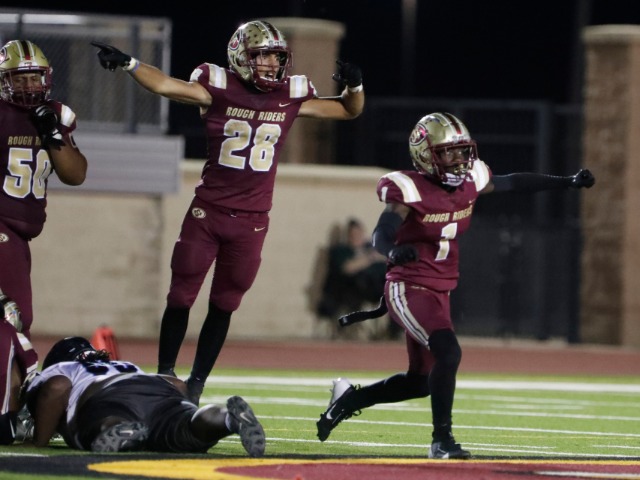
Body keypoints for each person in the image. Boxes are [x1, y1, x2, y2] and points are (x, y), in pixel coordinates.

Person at [90, 19, 365, 405]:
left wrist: (355, 86)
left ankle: (196, 384)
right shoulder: (217, 85)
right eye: (263, 56)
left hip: (252, 222)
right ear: (240, 57)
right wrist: (129, 63)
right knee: (181, 295)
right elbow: (166, 85)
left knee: (224, 304)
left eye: (276, 57)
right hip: (208, 213)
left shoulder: (290, 94)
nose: (272, 64)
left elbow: (348, 111)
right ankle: (165, 374)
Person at [316, 112, 595, 459]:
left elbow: (513, 182)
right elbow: (381, 232)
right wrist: (392, 251)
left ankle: (349, 399)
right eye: (448, 151)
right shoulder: (409, 189)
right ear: (425, 155)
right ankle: (442, 441)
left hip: (440, 290)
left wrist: (566, 181)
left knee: (420, 381)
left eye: (462, 151)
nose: (459, 159)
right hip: (409, 286)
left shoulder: (470, 182)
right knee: (448, 352)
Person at [21, 336, 266, 456]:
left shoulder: (61, 368)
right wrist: (176, 409)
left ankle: (120, 429)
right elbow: (178, 384)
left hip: (108, 395)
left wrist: (39, 441)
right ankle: (226, 418)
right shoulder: (123, 364)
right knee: (187, 428)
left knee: (108, 418)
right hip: (155, 388)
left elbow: (56, 388)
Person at [0, 40, 88, 341]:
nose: (28, 85)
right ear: (5, 81)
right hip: (2, 225)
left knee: (19, 320)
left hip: (20, 232)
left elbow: (75, 175)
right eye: (19, 78)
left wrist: (52, 134)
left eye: (34, 77)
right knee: (15, 316)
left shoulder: (57, 114)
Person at [0, 290, 38, 445]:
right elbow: (31, 370)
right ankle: (21, 420)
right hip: (2, 428)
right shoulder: (12, 333)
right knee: (16, 367)